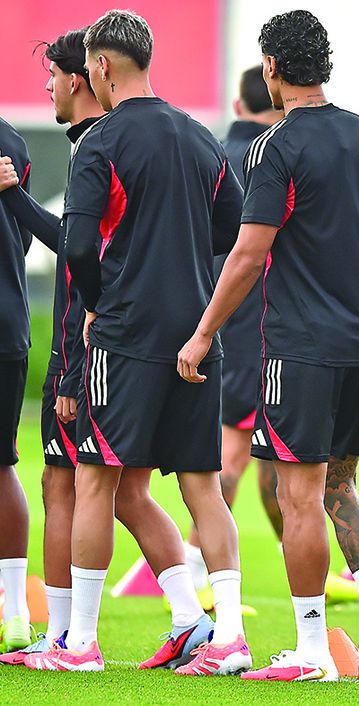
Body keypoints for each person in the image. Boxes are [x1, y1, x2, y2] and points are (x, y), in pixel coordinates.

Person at [178, 9, 359, 682]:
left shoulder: (275, 146)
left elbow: (248, 254)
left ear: (271, 67)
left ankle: (310, 653)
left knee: (298, 494)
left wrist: (204, 332)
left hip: (300, 346)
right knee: (340, 484)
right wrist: (356, 307)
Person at [25, 10, 250, 674]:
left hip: (123, 336)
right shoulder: (201, 138)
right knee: (203, 488)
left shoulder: (101, 142)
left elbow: (76, 246)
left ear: (100, 66)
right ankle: (228, 635)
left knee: (95, 480)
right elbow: (233, 230)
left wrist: (101, 301)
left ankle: (80, 644)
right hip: (195, 337)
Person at [183, 66, 283, 595]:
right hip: (259, 322)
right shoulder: (278, 154)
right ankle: (194, 567)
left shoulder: (216, 153)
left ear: (239, 106)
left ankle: (195, 567)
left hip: (213, 314)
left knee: (247, 451)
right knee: (243, 454)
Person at [0, 118, 32, 657]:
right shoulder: (12, 139)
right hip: (9, 324)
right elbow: (22, 237)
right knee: (2, 465)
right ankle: (17, 611)